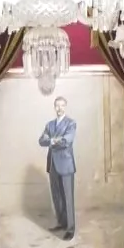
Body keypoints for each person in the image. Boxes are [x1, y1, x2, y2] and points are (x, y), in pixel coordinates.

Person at [38, 96, 78, 237]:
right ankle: (62, 223)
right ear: (54, 107)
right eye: (57, 106)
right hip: (52, 165)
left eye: (62, 105)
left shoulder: (71, 123)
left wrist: (51, 140)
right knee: (57, 197)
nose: (59, 108)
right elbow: (41, 141)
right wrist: (54, 140)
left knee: (68, 198)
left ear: (65, 107)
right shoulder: (49, 125)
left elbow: (67, 141)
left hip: (66, 165)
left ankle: (70, 229)